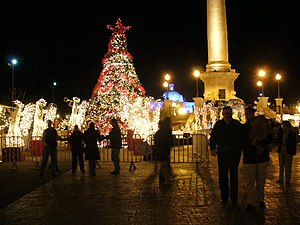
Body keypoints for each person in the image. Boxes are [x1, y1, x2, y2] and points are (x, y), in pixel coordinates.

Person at [209, 106, 243, 205]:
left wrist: (240, 148)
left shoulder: (236, 124)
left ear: (231, 114)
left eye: (228, 113)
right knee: (222, 175)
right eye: (225, 113)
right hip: (223, 152)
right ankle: (224, 197)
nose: (227, 115)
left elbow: (241, 138)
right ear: (223, 114)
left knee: (234, 175)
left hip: (234, 153)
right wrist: (212, 148)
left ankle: (234, 197)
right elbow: (213, 136)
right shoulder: (219, 124)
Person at [242, 107, 273, 210]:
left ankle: (260, 199)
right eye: (246, 114)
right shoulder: (245, 127)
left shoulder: (262, 125)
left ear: (252, 114)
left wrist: (261, 145)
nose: (247, 115)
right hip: (250, 157)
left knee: (261, 180)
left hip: (261, 157)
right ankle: (250, 202)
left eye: (248, 113)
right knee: (250, 181)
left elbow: (269, 138)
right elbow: (243, 141)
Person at [276, 120, 297, 185]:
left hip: (288, 150)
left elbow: (293, 142)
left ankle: (287, 180)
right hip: (281, 150)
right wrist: (279, 144)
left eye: (285, 126)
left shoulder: (292, 133)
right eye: (283, 126)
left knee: (288, 166)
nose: (284, 127)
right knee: (281, 165)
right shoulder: (280, 133)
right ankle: (280, 178)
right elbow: (277, 140)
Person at [154, 117, 173, 185]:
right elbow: (168, 140)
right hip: (164, 149)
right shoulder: (167, 130)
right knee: (165, 164)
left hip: (161, 149)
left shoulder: (161, 131)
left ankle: (163, 178)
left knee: (163, 164)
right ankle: (167, 180)